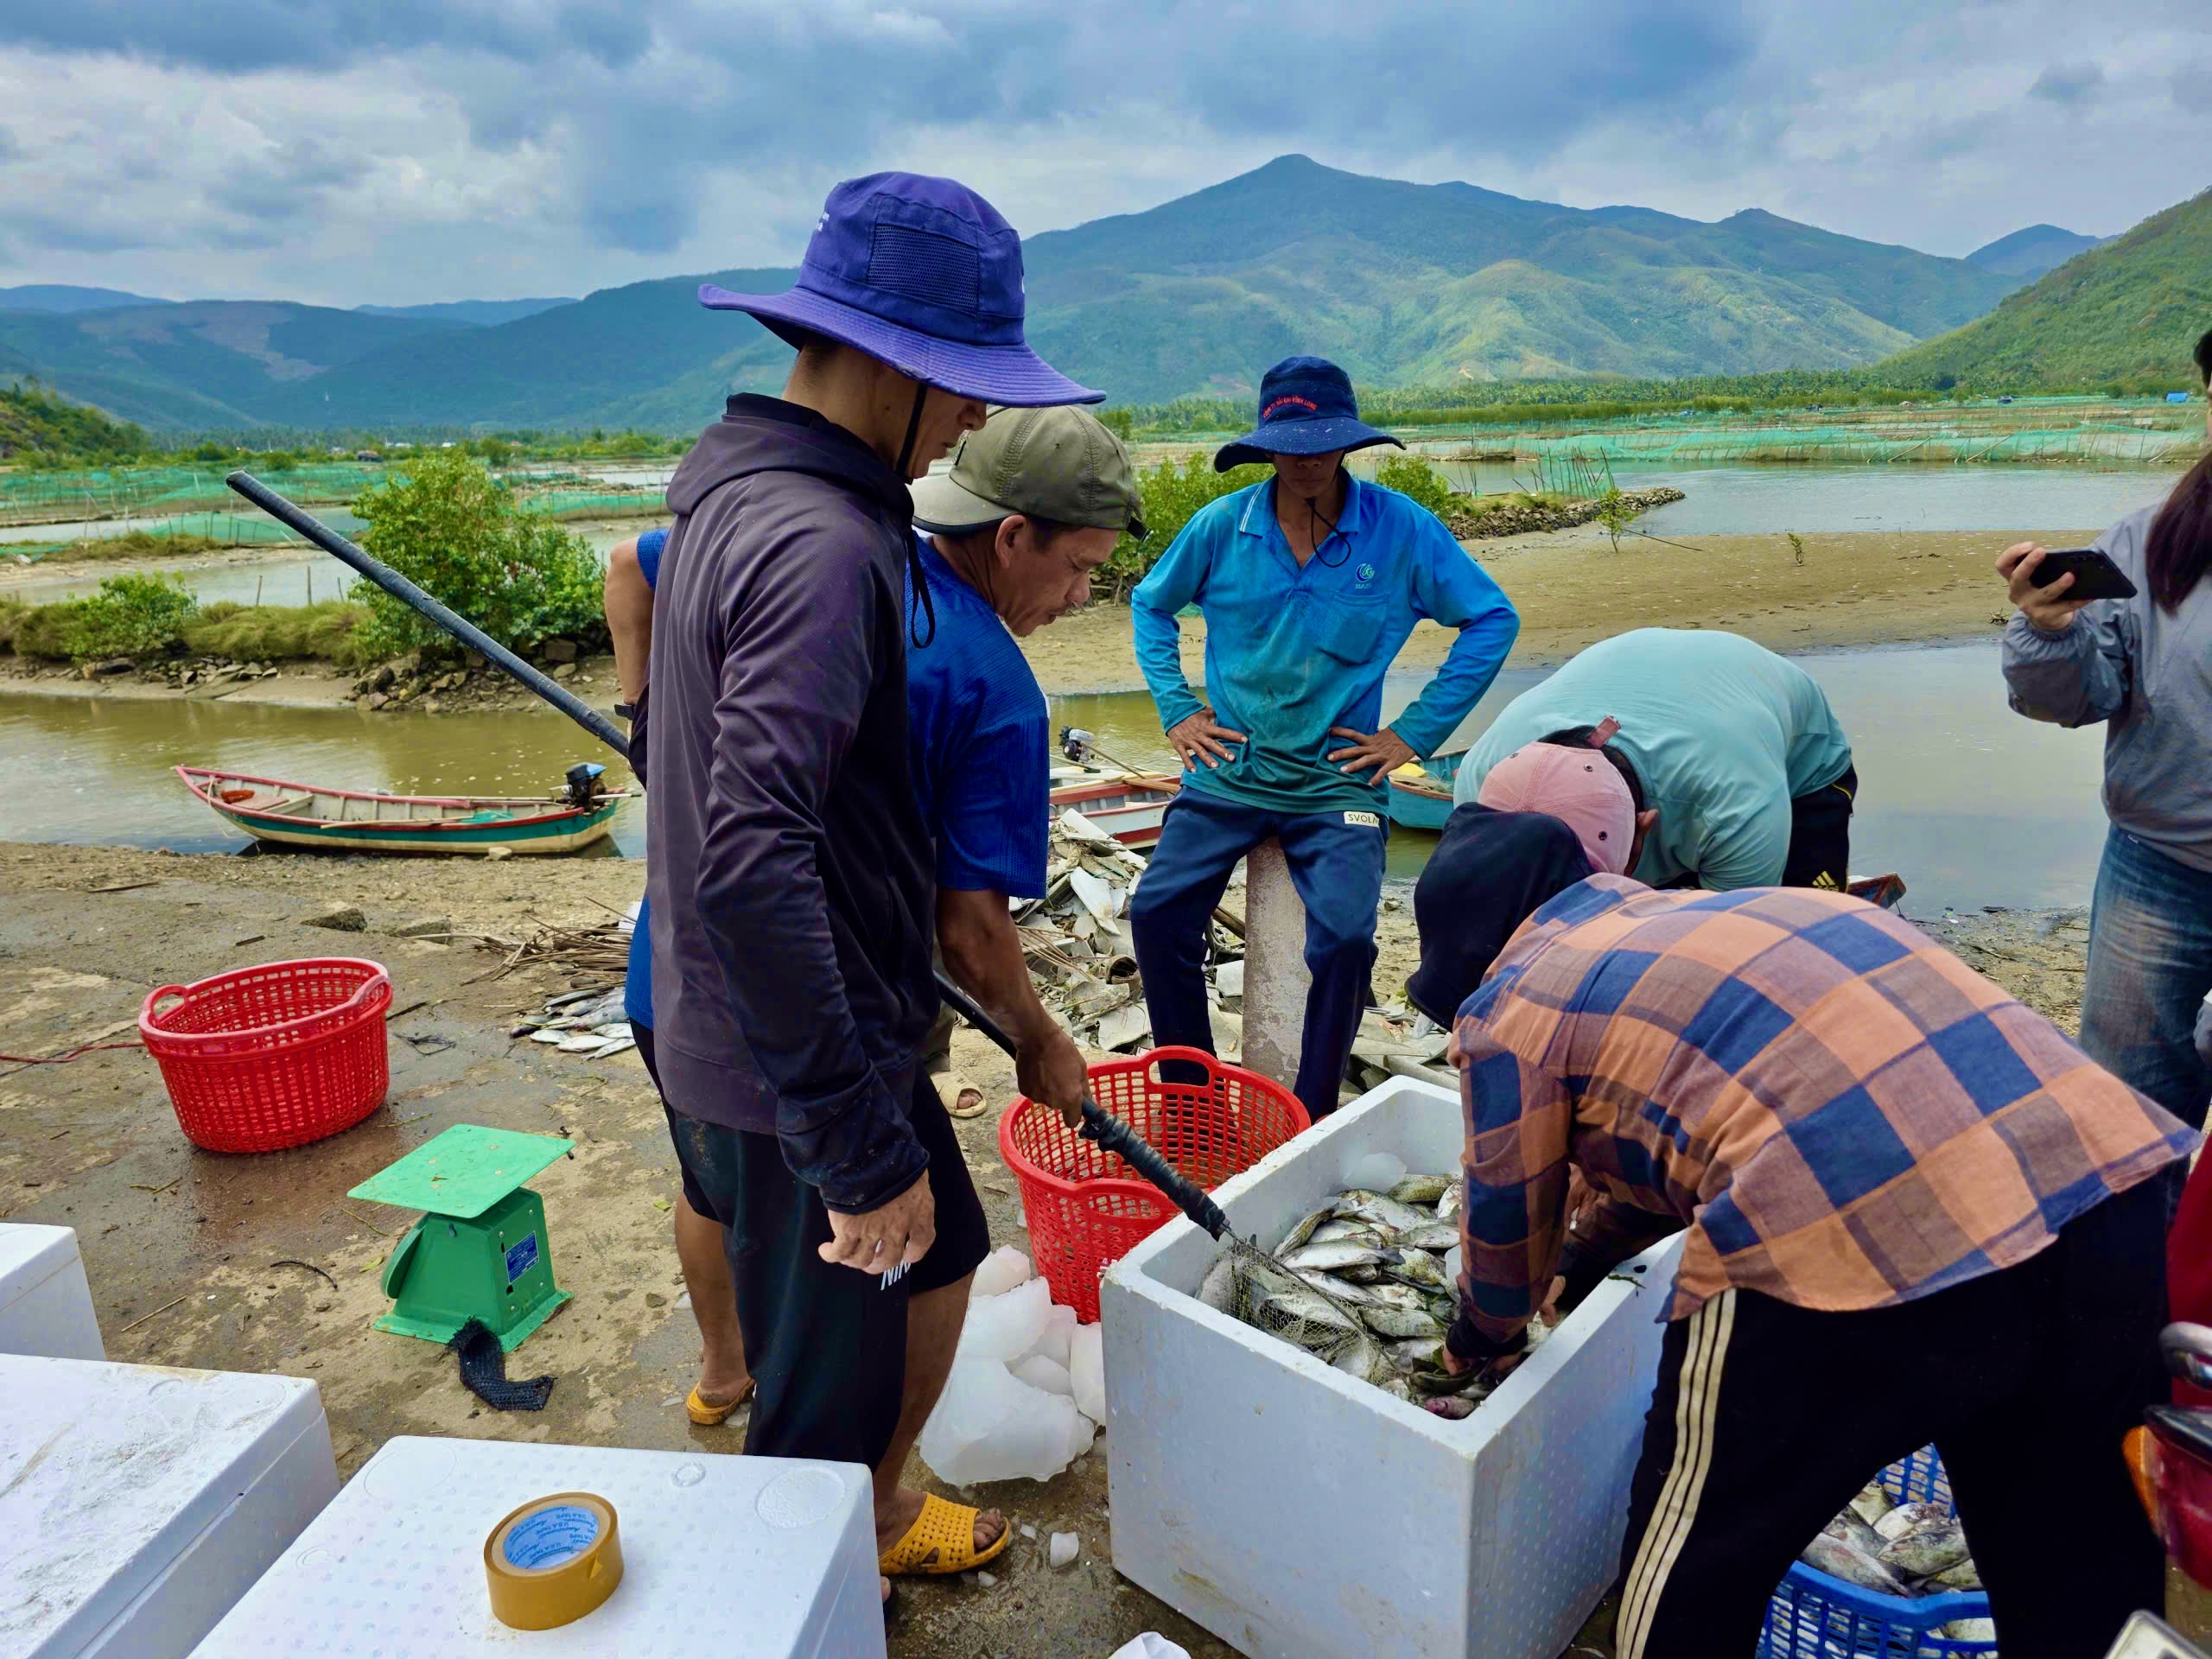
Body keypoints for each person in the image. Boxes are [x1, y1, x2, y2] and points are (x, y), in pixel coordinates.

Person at [644, 171, 1098, 1587]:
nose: (973, 421)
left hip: (737, 1029)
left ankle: (847, 1523)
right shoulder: (829, 547)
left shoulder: (730, 478)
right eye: (964, 388)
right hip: (797, 1071)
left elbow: (724, 782)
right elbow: (750, 862)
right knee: (819, 1442)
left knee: (924, 1267)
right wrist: (856, 1152)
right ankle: (813, 1593)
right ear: (896, 364)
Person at [1440, 874, 2193, 1659]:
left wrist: (1479, 1335)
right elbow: (1702, 1132)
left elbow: (1504, 1236)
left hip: (1851, 1233)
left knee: (1701, 1555)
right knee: (2083, 1562)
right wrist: (1589, 1252)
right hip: (2118, 1185)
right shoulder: (1719, 918)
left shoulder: (1511, 1014)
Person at [615, 406, 1144, 1439]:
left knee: (716, 1190)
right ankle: (873, 1504)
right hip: (807, 1019)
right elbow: (970, 934)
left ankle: (723, 1375)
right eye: (1079, 568)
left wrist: (651, 730)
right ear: (1008, 536)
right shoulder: (991, 686)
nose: (1082, 597)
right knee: (924, 1260)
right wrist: (1041, 1042)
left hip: (669, 977)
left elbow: (630, 570)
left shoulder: (817, 544)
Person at [1128, 355, 1519, 1120]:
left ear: (1348, 444)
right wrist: (1178, 710)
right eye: (1290, 443)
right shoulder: (1221, 527)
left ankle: (1308, 1113)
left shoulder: (1400, 530)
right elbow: (1150, 605)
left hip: (1336, 781)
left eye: (1323, 442)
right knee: (1157, 912)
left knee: (1344, 939)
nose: (1306, 459)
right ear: (1267, 444)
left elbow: (1491, 618)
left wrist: (1411, 734)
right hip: (1228, 772)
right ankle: (1193, 1099)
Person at [1999, 326, 2212, 1131]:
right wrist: (2050, 631)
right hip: (2156, 866)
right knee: (2129, 1098)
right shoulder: (2153, 541)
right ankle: (2144, 1253)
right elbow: (2076, 699)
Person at [1450, 627, 1858, 892]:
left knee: (1804, 927)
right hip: (1642, 677)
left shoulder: (1735, 807)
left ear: (1645, 827)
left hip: (1797, 761)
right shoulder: (1480, 786)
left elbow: (1737, 949)